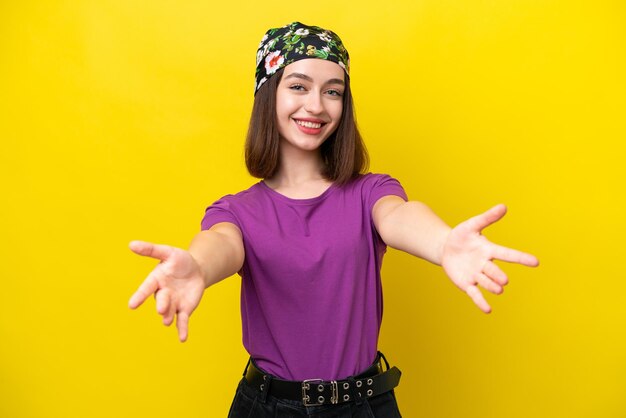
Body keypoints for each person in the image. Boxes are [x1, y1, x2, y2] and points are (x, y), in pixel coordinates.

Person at [128, 22, 539, 417]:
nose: (316, 105)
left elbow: (398, 217)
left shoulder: (369, 193)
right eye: (298, 86)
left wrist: (443, 242)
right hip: (267, 406)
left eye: (333, 91)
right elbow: (221, 243)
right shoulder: (237, 211)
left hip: (364, 405)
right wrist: (197, 267)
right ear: (268, 94)